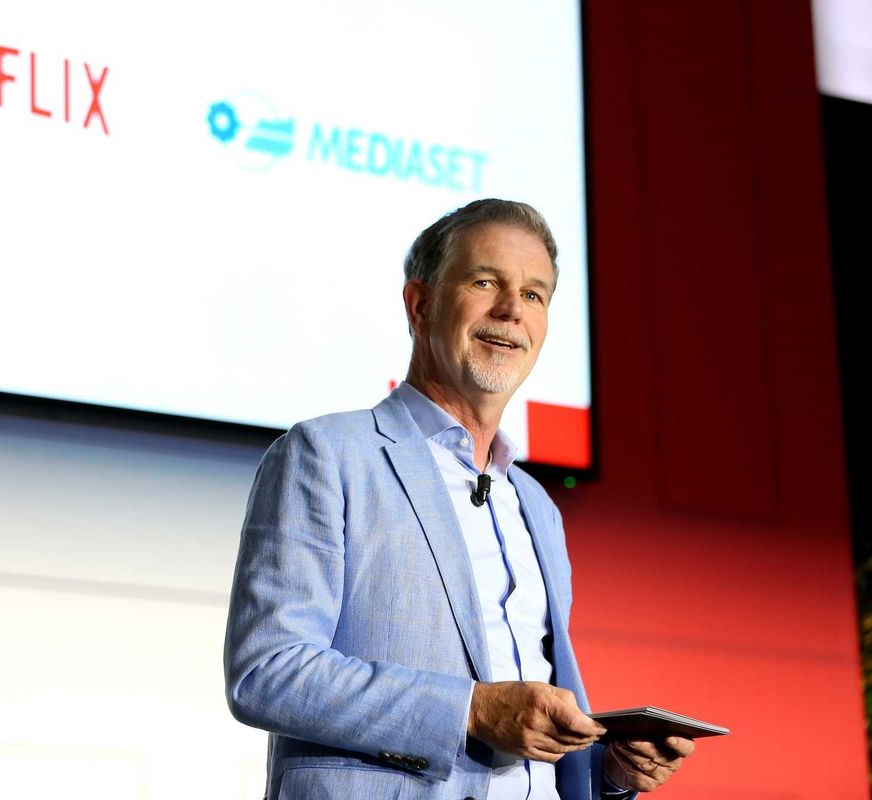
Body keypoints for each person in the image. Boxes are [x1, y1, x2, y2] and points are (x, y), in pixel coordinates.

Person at [223, 199, 694, 799]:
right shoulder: (326, 455)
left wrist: (611, 774)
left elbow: (530, 751)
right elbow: (268, 672)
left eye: (533, 295)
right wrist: (470, 710)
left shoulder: (537, 507)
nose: (510, 311)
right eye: (485, 282)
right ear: (420, 306)